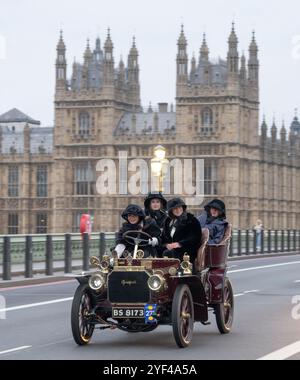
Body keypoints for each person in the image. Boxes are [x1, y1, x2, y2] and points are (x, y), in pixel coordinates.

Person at [162, 198, 202, 263]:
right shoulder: (168, 221)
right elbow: (164, 237)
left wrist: (179, 244)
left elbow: (195, 237)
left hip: (187, 250)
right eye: (175, 208)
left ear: (183, 207)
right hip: (172, 250)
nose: (178, 210)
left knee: (168, 253)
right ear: (171, 211)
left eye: (179, 207)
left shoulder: (191, 220)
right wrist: (166, 245)